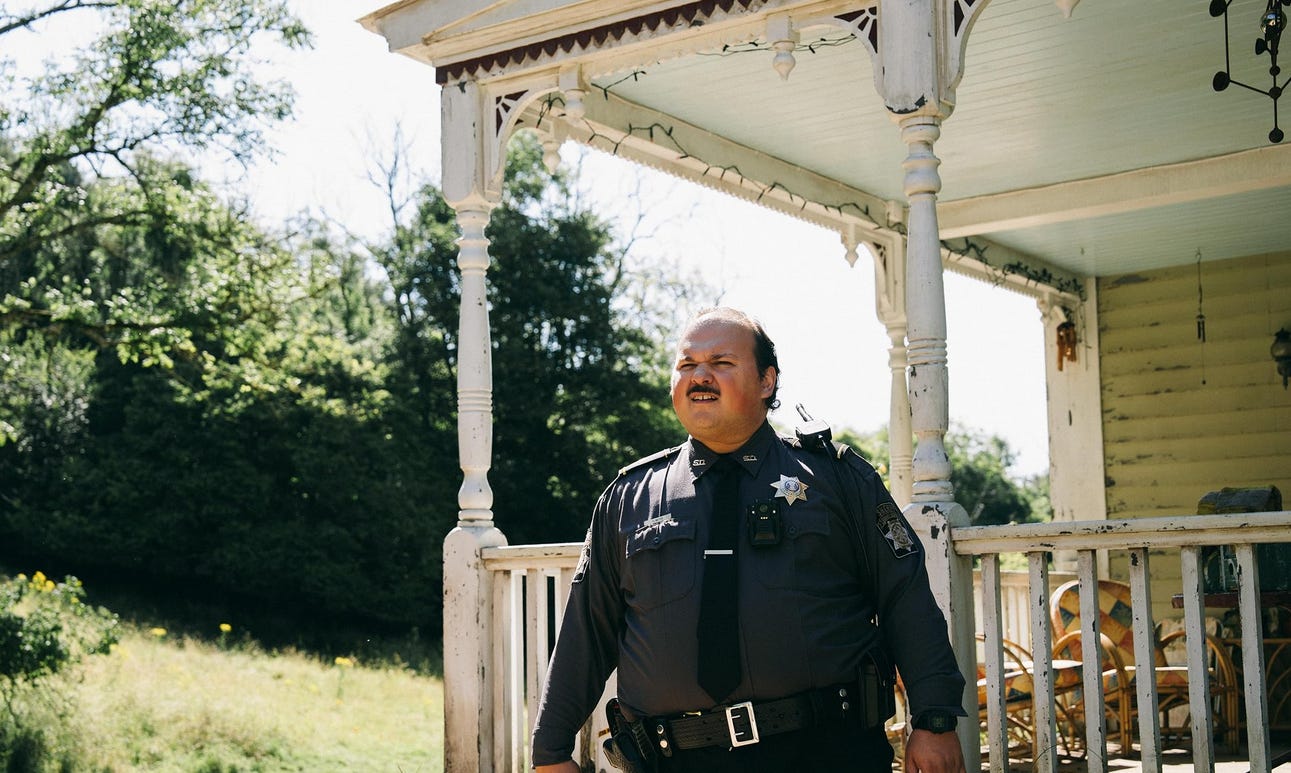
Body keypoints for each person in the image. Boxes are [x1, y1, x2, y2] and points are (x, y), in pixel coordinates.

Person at [530, 307, 967, 773]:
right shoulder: (629, 497)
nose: (700, 376)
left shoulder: (839, 480)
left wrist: (935, 719)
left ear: (766, 381)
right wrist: (550, 752)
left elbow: (905, 598)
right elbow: (586, 630)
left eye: (721, 362)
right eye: (687, 364)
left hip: (824, 752)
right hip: (672, 761)